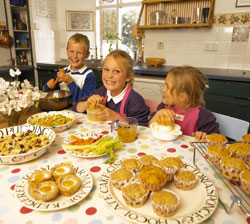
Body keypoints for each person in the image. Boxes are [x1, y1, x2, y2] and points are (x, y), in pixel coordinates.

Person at [72, 49, 150, 126]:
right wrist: (87, 103)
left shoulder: (135, 100)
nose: (110, 75)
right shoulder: (101, 91)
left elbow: (142, 128)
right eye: (106, 69)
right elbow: (76, 107)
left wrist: (116, 117)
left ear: (127, 76)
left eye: (116, 71)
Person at [149, 66, 219, 141]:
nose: (163, 89)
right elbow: (149, 126)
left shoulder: (203, 117)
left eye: (167, 87)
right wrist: (158, 114)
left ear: (182, 96)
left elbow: (214, 140)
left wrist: (204, 137)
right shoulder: (164, 107)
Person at [43, 33, 96, 103]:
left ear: (87, 55)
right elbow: (53, 95)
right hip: (62, 109)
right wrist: (48, 86)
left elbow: (87, 102)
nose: (74, 56)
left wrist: (70, 83)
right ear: (67, 52)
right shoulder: (63, 72)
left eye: (79, 52)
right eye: (71, 51)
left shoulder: (89, 76)